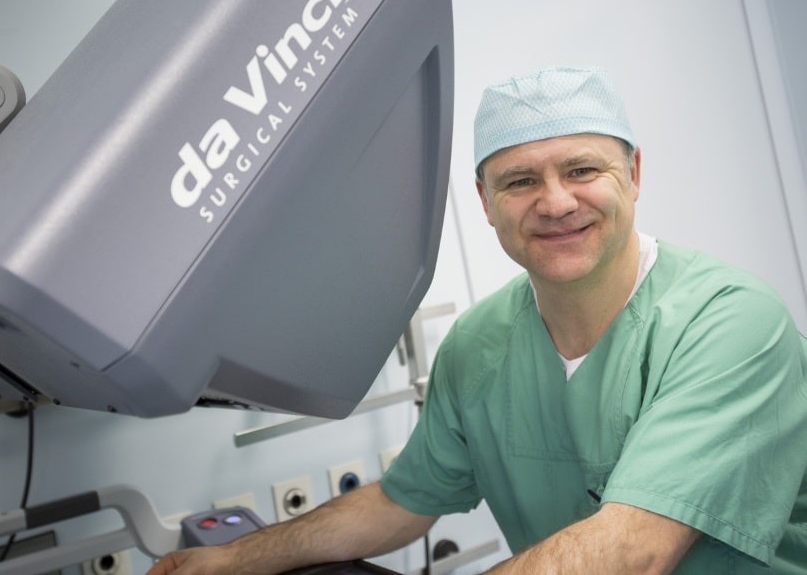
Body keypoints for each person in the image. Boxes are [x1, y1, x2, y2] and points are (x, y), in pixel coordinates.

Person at [148, 66, 807, 574]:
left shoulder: (731, 324)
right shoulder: (477, 346)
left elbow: (633, 550)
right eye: (519, 181)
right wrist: (235, 558)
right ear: (485, 202)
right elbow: (399, 502)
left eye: (582, 170)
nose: (554, 202)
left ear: (632, 174)